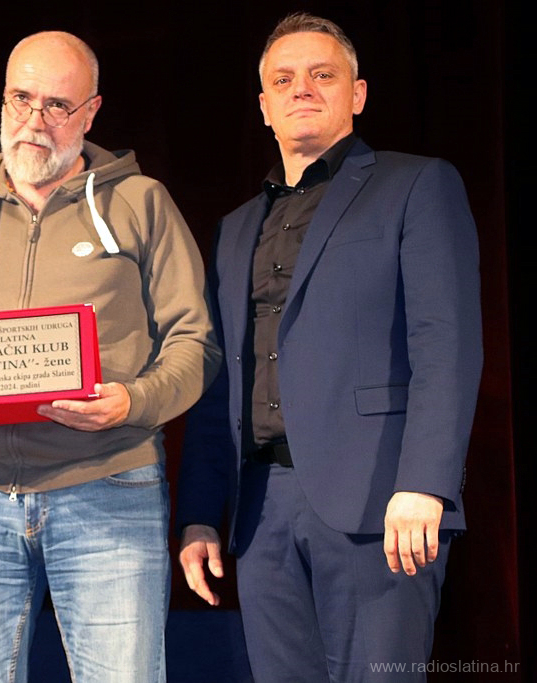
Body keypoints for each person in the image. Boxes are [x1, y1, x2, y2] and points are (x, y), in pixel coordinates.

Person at [0, 31, 220, 683]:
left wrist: (133, 401)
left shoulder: (142, 203)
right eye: (21, 98)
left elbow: (194, 342)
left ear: (91, 113)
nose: (35, 120)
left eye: (57, 105)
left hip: (110, 488)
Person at [176, 12, 482, 682]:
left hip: (381, 502)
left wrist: (424, 482)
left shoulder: (416, 184)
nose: (303, 89)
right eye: (284, 80)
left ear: (358, 93)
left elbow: (446, 344)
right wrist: (200, 513)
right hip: (260, 511)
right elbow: (218, 378)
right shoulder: (234, 228)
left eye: (323, 74)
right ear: (264, 106)